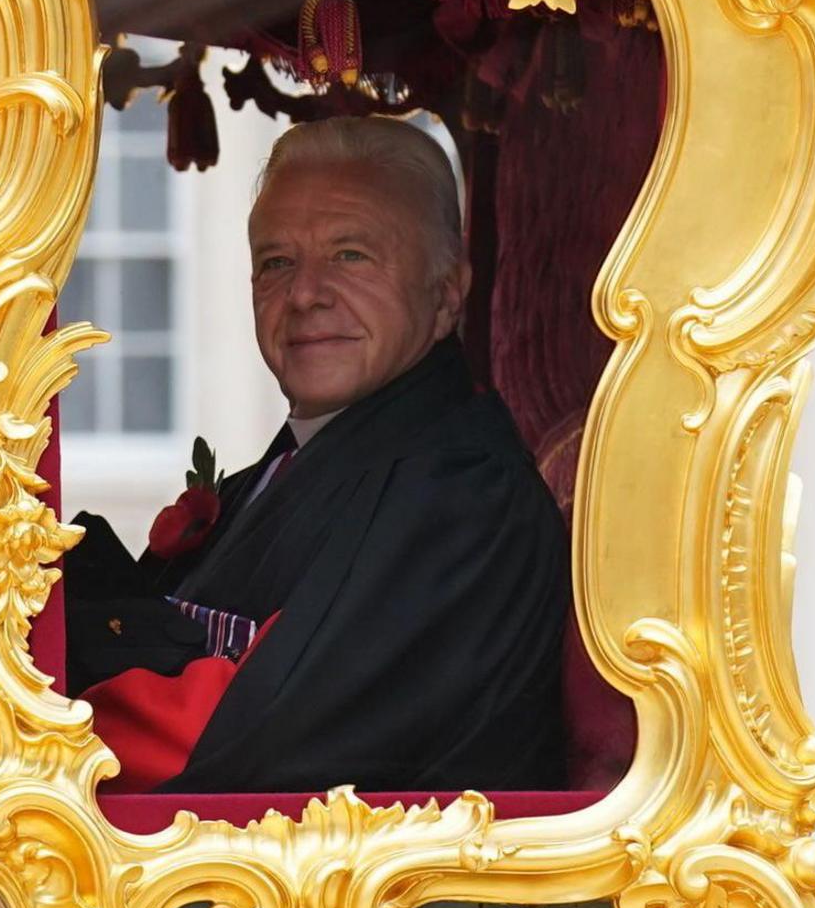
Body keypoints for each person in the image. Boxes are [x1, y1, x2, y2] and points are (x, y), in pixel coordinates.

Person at [61, 115, 570, 794]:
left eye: (350, 255)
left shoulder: (460, 499)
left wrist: (18, 728)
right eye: (276, 263)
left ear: (447, 293)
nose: (304, 294)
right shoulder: (281, 477)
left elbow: (233, 744)